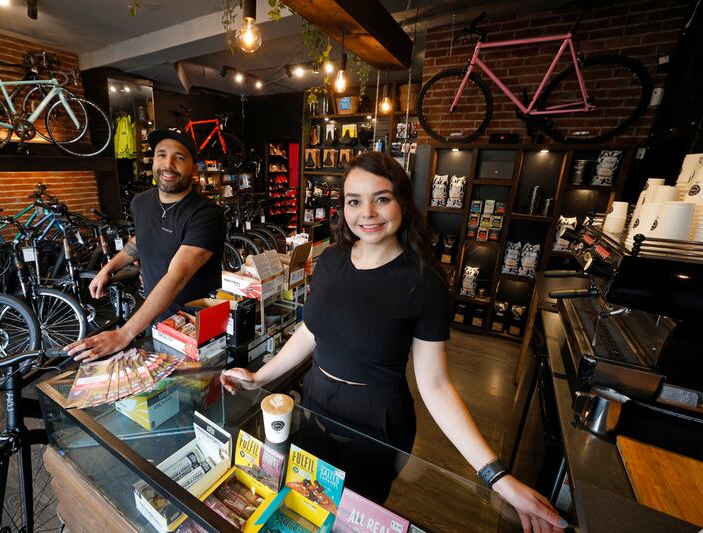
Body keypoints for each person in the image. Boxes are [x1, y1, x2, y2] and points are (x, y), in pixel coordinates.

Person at [221, 152, 567, 532]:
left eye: (381, 198)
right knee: (306, 505)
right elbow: (312, 331)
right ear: (343, 208)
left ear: (402, 202)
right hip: (315, 403)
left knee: (352, 517)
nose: (367, 212)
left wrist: (496, 476)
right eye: (354, 201)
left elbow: (435, 386)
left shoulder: (423, 282)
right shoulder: (332, 259)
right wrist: (260, 376)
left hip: (375, 422)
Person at [66, 129, 225, 362]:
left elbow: (177, 275)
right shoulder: (141, 202)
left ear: (194, 168)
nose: (168, 164)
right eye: (161, 155)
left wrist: (125, 333)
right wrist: (109, 268)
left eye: (179, 157)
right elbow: (141, 239)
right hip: (157, 318)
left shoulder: (206, 214)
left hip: (198, 327)